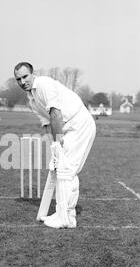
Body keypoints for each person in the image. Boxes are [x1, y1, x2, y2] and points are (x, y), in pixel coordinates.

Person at [14, 62, 96, 229]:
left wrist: (58, 143)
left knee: (67, 170)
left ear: (32, 74)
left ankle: (68, 218)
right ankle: (61, 213)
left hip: (79, 123)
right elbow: (46, 124)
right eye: (18, 79)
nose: (22, 82)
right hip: (67, 129)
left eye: (25, 76)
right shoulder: (32, 101)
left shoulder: (43, 84)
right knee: (60, 168)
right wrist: (53, 148)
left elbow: (56, 114)